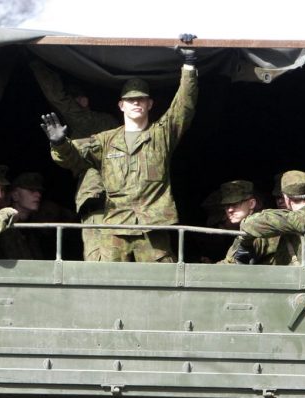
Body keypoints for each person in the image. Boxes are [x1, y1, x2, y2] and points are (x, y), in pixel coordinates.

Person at [40, 36, 199, 262]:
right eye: (130, 100)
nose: (136, 103)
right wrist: (59, 144)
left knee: (161, 287)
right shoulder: (105, 140)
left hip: (152, 228)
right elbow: (73, 160)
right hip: (114, 226)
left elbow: (184, 106)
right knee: (107, 284)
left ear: (149, 104)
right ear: (121, 105)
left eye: (141, 99)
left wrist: (189, 65)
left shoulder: (161, 135)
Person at [30, 59, 119, 261]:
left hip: (101, 196)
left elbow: (58, 97)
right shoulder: (81, 126)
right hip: (95, 197)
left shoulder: (90, 120)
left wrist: (35, 61)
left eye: (73, 101)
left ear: (83, 101)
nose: (67, 107)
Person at [235, 170, 305, 266]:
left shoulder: (296, 219)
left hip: (296, 279)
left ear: (286, 198)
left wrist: (245, 243)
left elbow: (250, 224)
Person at [214, 180, 282, 264]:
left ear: (251, 204)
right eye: (226, 205)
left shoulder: (259, 227)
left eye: (236, 204)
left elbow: (233, 263)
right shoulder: (248, 227)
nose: (230, 210)